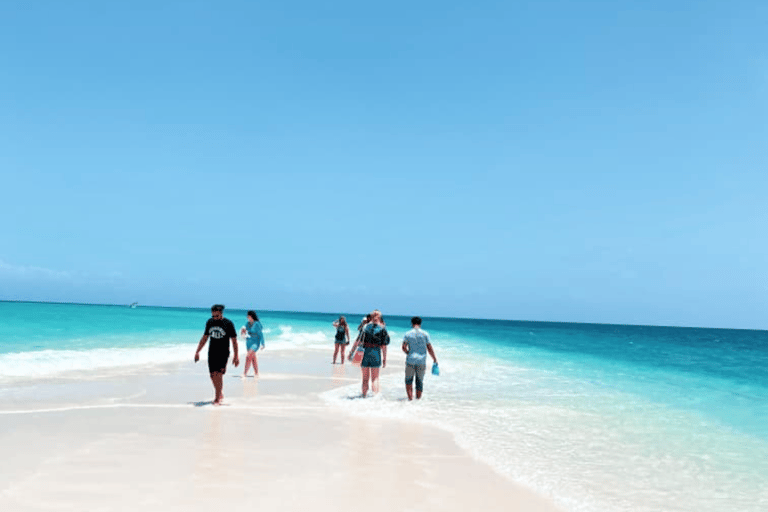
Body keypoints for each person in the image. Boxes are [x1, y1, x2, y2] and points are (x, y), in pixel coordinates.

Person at [194, 304, 239, 405]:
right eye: (213, 316)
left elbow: (234, 341)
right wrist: (197, 351)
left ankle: (217, 397)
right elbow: (205, 338)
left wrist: (236, 356)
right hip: (212, 352)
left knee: (218, 374)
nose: (215, 318)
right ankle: (220, 393)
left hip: (223, 353)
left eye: (217, 316)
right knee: (212, 375)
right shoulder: (210, 322)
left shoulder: (228, 323)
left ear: (221, 314)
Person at [348, 310, 389, 397]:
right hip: (376, 352)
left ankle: (364, 396)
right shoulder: (382, 329)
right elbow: (384, 346)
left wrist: (351, 352)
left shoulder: (364, 327)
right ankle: (375, 398)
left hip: (364, 353)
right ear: (379, 317)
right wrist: (385, 358)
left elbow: (357, 341)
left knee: (365, 378)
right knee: (375, 378)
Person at [401, 316, 438, 400]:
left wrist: (408, 353)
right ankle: (418, 400)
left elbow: (403, 347)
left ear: (412, 323)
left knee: (408, 380)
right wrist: (434, 358)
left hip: (410, 360)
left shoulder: (407, 334)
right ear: (420, 323)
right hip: (421, 361)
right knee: (419, 381)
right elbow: (429, 347)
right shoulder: (425, 334)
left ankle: (410, 399)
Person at [240, 310, 264, 377]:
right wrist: (242, 332)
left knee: (248, 356)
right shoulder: (247, 324)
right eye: (247, 315)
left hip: (256, 343)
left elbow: (260, 334)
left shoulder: (257, 324)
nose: (247, 317)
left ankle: (244, 373)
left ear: (251, 316)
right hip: (248, 342)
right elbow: (244, 334)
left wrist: (262, 344)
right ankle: (256, 373)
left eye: (248, 315)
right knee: (253, 358)